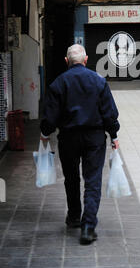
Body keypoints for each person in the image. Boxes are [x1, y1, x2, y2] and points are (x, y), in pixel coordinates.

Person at [40, 44, 120, 245]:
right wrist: (114, 135)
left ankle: (74, 216)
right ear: (86, 60)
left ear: (67, 61)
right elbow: (109, 113)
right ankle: (88, 227)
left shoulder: (58, 83)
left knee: (72, 178)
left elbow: (50, 116)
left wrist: (44, 133)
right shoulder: (99, 81)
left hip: (68, 138)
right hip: (94, 138)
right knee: (92, 180)